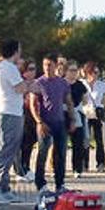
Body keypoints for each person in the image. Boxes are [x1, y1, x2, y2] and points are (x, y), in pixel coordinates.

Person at [0, 40, 41, 204]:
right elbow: (19, 88)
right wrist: (32, 85)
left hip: (4, 112)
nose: (20, 53)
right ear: (15, 51)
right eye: (19, 50)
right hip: (10, 114)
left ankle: (3, 189)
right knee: (5, 153)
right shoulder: (9, 68)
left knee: (4, 152)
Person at [29, 54, 75, 191]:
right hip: (45, 122)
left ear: (56, 66)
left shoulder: (63, 83)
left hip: (59, 122)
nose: (47, 68)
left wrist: (72, 119)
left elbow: (69, 102)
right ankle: (40, 182)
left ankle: (60, 183)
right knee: (42, 153)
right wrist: (39, 122)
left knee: (60, 154)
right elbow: (33, 105)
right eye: (45, 65)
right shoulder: (38, 83)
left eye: (50, 65)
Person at [81, 62, 105, 172]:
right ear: (88, 73)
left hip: (97, 114)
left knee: (99, 140)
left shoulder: (101, 85)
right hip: (85, 114)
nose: (96, 74)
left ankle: (101, 164)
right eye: (94, 72)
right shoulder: (82, 83)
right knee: (85, 140)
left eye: (97, 72)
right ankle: (84, 164)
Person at [64, 60, 90, 178]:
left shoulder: (80, 85)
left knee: (78, 143)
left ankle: (77, 169)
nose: (74, 73)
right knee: (61, 144)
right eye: (71, 70)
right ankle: (59, 168)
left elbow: (85, 100)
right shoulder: (61, 83)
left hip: (77, 114)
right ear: (66, 71)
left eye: (76, 70)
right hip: (63, 113)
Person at [16, 59, 38, 183]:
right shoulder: (19, 83)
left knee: (29, 144)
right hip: (20, 115)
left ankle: (26, 167)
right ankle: (19, 170)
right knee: (20, 144)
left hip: (33, 117)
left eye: (34, 69)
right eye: (29, 69)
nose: (32, 72)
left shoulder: (37, 83)